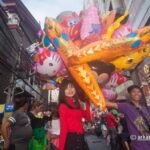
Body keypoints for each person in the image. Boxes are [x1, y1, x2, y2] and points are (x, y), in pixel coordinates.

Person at [106, 85, 150, 150]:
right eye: (133, 92)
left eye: (138, 92)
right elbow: (107, 103)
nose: (136, 93)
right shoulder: (125, 106)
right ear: (129, 94)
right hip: (140, 144)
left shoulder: (144, 107)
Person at [58, 79, 92, 150]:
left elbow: (88, 118)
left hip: (81, 137)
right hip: (71, 139)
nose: (70, 90)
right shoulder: (63, 106)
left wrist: (86, 102)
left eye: (71, 87)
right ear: (62, 91)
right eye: (66, 88)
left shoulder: (77, 103)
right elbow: (63, 128)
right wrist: (61, 148)